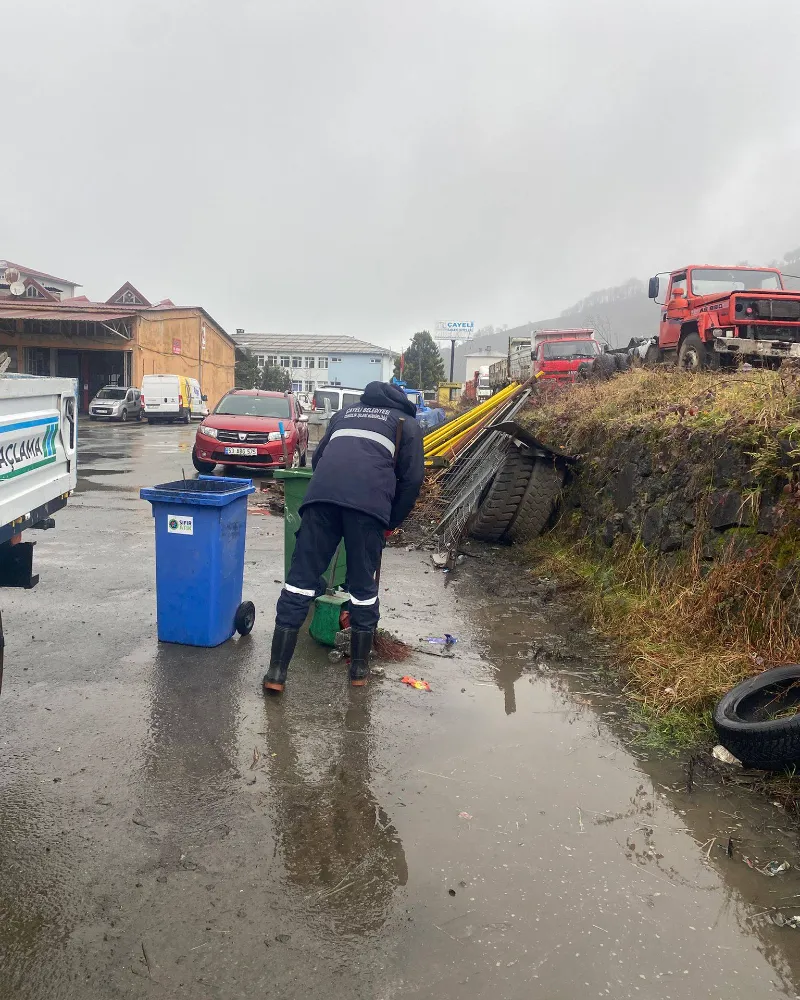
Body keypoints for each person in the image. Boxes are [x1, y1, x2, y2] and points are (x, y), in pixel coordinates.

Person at [263, 381, 425, 693]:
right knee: (363, 588)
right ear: (404, 402)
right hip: (368, 508)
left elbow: (318, 459)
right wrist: (391, 521)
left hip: (320, 500)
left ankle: (276, 674)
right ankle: (360, 672)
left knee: (298, 582)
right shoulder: (407, 424)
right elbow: (412, 479)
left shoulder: (345, 413)